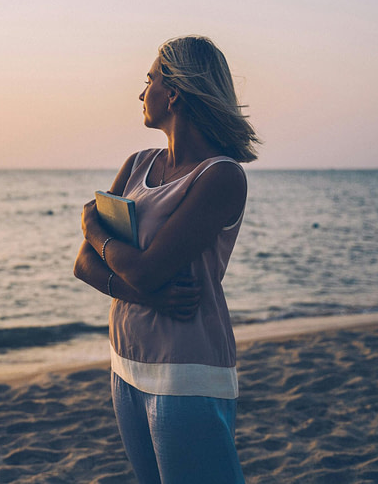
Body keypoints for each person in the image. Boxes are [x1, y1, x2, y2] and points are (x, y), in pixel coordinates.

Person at [74, 35, 259, 484]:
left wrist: (93, 227)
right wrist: (148, 298)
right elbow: (83, 265)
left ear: (173, 92)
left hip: (185, 371)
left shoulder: (220, 177)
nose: (142, 93)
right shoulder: (137, 164)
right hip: (125, 361)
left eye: (150, 80)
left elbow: (146, 268)